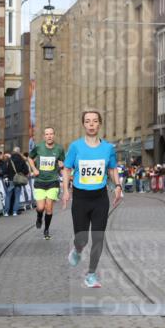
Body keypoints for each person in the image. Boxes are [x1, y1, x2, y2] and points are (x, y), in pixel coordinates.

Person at [61, 110, 123, 289]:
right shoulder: (75, 147)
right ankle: (78, 249)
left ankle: (91, 274)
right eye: (87, 121)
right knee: (82, 239)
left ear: (99, 124)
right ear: (83, 124)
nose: (91, 124)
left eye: (95, 121)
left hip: (99, 198)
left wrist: (118, 186)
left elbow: (112, 169)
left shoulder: (108, 148)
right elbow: (66, 169)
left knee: (98, 237)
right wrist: (66, 191)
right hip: (80, 198)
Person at [28, 126, 65, 239]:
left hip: (53, 181)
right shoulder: (39, 147)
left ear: (54, 135)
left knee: (49, 207)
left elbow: (62, 161)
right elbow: (29, 158)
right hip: (40, 181)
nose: (49, 136)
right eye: (47, 134)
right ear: (44, 136)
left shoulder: (59, 148)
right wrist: (34, 169)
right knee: (40, 207)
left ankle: (46, 229)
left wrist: (62, 164)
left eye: (51, 134)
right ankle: (39, 217)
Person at [3, 147, 30, 216]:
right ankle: (15, 211)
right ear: (19, 152)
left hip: (11, 179)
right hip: (18, 180)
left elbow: (5, 170)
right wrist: (21, 173)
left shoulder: (9, 159)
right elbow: (26, 170)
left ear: (13, 152)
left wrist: (7, 175)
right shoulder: (22, 160)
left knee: (8, 196)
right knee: (17, 196)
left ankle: (6, 212)